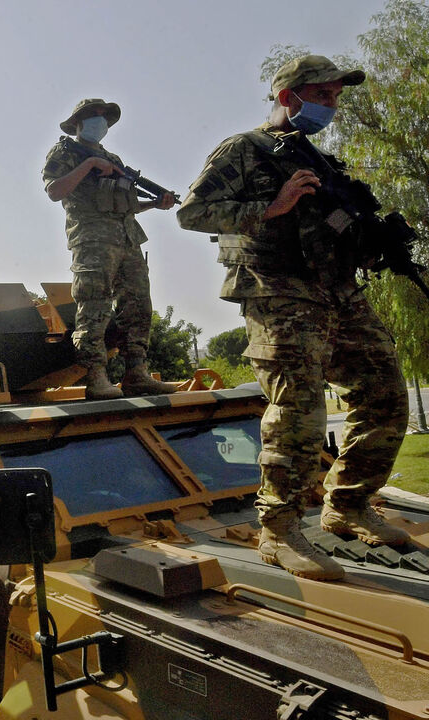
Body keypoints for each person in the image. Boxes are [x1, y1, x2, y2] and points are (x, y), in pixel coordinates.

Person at [177, 55, 410, 582]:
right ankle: (279, 530)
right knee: (300, 409)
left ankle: (348, 505)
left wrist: (370, 247)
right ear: (289, 97)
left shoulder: (317, 159)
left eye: (335, 98)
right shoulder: (244, 149)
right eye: (323, 96)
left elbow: (334, 224)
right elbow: (191, 212)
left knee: (385, 394)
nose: (332, 106)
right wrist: (271, 205)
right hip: (278, 292)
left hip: (339, 292)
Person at [42, 98, 180, 399]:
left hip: (128, 240)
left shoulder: (113, 159)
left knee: (138, 307)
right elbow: (54, 190)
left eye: (105, 117)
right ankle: (95, 377)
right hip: (92, 242)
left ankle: (137, 374)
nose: (100, 122)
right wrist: (89, 164)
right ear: (78, 122)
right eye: (94, 116)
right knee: (94, 307)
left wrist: (156, 203)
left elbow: (125, 207)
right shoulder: (66, 151)